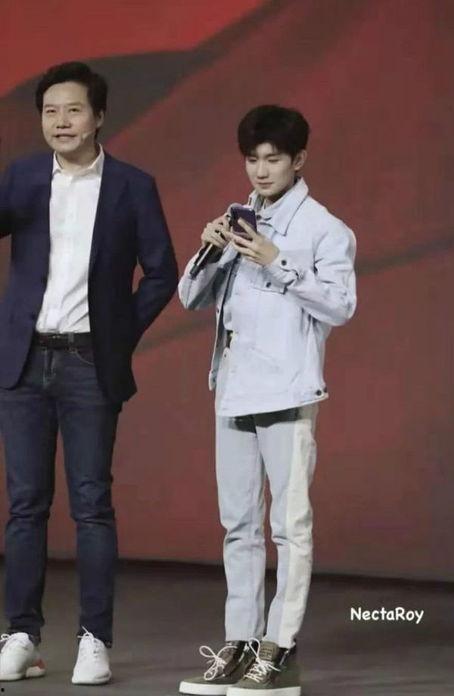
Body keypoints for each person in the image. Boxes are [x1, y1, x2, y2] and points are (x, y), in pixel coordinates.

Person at [0, 61, 178, 685]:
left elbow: (162, 271)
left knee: (92, 505)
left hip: (87, 363)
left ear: (98, 116)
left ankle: (94, 640)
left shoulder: (131, 186)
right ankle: (21, 634)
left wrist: (119, 333)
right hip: (23, 361)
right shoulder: (23, 177)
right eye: (50, 112)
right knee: (25, 506)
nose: (61, 122)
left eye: (73, 110)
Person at [177, 105, 356, 696]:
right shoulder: (239, 221)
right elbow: (190, 299)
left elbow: (340, 306)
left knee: (289, 526)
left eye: (272, 159)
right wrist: (210, 250)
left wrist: (277, 262)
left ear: (298, 159)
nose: (260, 170)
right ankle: (241, 642)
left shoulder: (324, 229)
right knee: (238, 525)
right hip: (233, 388)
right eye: (252, 159)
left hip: (288, 389)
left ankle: (280, 649)